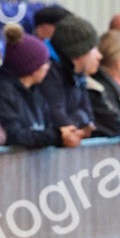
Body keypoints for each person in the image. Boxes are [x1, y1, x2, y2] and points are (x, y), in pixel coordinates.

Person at [0, 26, 57, 149]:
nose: (48, 66)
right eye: (44, 63)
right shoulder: (3, 92)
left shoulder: (35, 92)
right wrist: (55, 137)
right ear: (32, 68)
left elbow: (48, 124)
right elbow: (14, 134)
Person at [39, 15, 100, 146]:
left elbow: (89, 116)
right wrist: (79, 120)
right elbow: (59, 121)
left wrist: (79, 120)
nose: (99, 55)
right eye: (93, 49)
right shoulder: (49, 73)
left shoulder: (78, 73)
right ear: (79, 52)